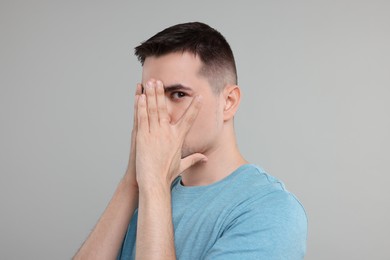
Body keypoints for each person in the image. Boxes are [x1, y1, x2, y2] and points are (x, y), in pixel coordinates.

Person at [73, 22, 308, 260]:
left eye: (178, 94)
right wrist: (132, 181)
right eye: (149, 96)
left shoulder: (270, 210)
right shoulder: (142, 198)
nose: (159, 113)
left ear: (228, 102)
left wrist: (154, 184)